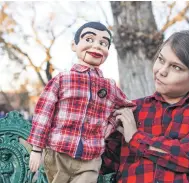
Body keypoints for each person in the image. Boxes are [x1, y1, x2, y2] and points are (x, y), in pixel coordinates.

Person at [100, 30, 189, 183]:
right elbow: (107, 163)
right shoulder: (132, 110)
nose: (162, 71)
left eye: (176, 67)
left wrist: (135, 138)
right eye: (160, 59)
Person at [27, 21, 135, 183]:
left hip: (91, 157)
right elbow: (43, 113)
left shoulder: (109, 86)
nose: (97, 46)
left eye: (103, 43)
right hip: (59, 153)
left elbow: (127, 105)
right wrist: (37, 148)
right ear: (74, 45)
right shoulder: (62, 79)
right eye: (89, 39)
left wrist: (110, 124)